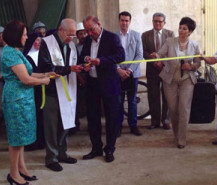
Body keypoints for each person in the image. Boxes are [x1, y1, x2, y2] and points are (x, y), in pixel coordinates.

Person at [1, 20, 51, 185]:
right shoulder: (10, 53)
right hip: (16, 100)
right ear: (16, 36)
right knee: (16, 139)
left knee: (20, 137)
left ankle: (21, 168)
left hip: (23, 100)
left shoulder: (16, 51)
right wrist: (43, 81)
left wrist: (45, 74)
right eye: (24, 34)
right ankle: (13, 174)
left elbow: (29, 73)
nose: (27, 37)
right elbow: (25, 79)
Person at [38, 18, 83, 171]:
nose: (71, 38)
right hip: (51, 91)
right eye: (69, 34)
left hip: (68, 89)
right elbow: (46, 66)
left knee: (66, 122)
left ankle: (62, 153)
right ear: (60, 30)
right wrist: (69, 69)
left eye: (74, 35)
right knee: (51, 125)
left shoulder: (71, 45)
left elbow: (74, 63)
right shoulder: (46, 43)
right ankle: (51, 158)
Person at [80, 16, 125, 163]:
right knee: (93, 118)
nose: (89, 33)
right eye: (86, 31)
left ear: (99, 24)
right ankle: (96, 148)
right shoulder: (87, 40)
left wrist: (101, 61)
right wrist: (86, 60)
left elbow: (121, 56)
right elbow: (82, 56)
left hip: (109, 84)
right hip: (92, 84)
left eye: (91, 29)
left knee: (111, 118)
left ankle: (110, 148)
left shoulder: (111, 38)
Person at [151, 17, 201, 148]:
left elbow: (197, 63)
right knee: (173, 109)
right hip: (170, 79)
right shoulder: (169, 41)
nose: (181, 30)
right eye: (180, 27)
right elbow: (160, 54)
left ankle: (182, 139)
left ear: (190, 31)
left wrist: (190, 67)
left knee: (184, 108)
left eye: (184, 29)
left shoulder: (195, 45)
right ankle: (176, 134)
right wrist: (156, 56)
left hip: (187, 80)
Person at [141, 12, 174, 130]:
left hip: (166, 69)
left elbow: (172, 51)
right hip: (152, 69)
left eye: (160, 21)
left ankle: (166, 120)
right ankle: (155, 121)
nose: (158, 23)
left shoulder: (170, 34)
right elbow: (143, 52)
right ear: (152, 22)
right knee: (153, 95)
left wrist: (162, 62)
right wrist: (154, 61)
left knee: (167, 95)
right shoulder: (145, 35)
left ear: (164, 23)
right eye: (155, 21)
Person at [116, 11, 143, 137]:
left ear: (130, 21)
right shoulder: (114, 36)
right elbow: (110, 55)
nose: (124, 23)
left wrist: (129, 70)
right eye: (122, 20)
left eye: (127, 20)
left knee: (132, 101)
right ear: (119, 21)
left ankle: (133, 125)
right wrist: (119, 70)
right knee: (119, 101)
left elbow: (139, 55)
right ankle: (118, 126)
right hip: (117, 74)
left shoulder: (137, 36)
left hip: (133, 73)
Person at [23, 32, 45, 151]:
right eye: (36, 40)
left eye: (40, 41)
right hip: (30, 91)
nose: (38, 43)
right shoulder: (26, 57)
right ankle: (31, 142)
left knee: (41, 116)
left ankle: (41, 140)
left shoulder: (43, 54)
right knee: (32, 116)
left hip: (41, 90)